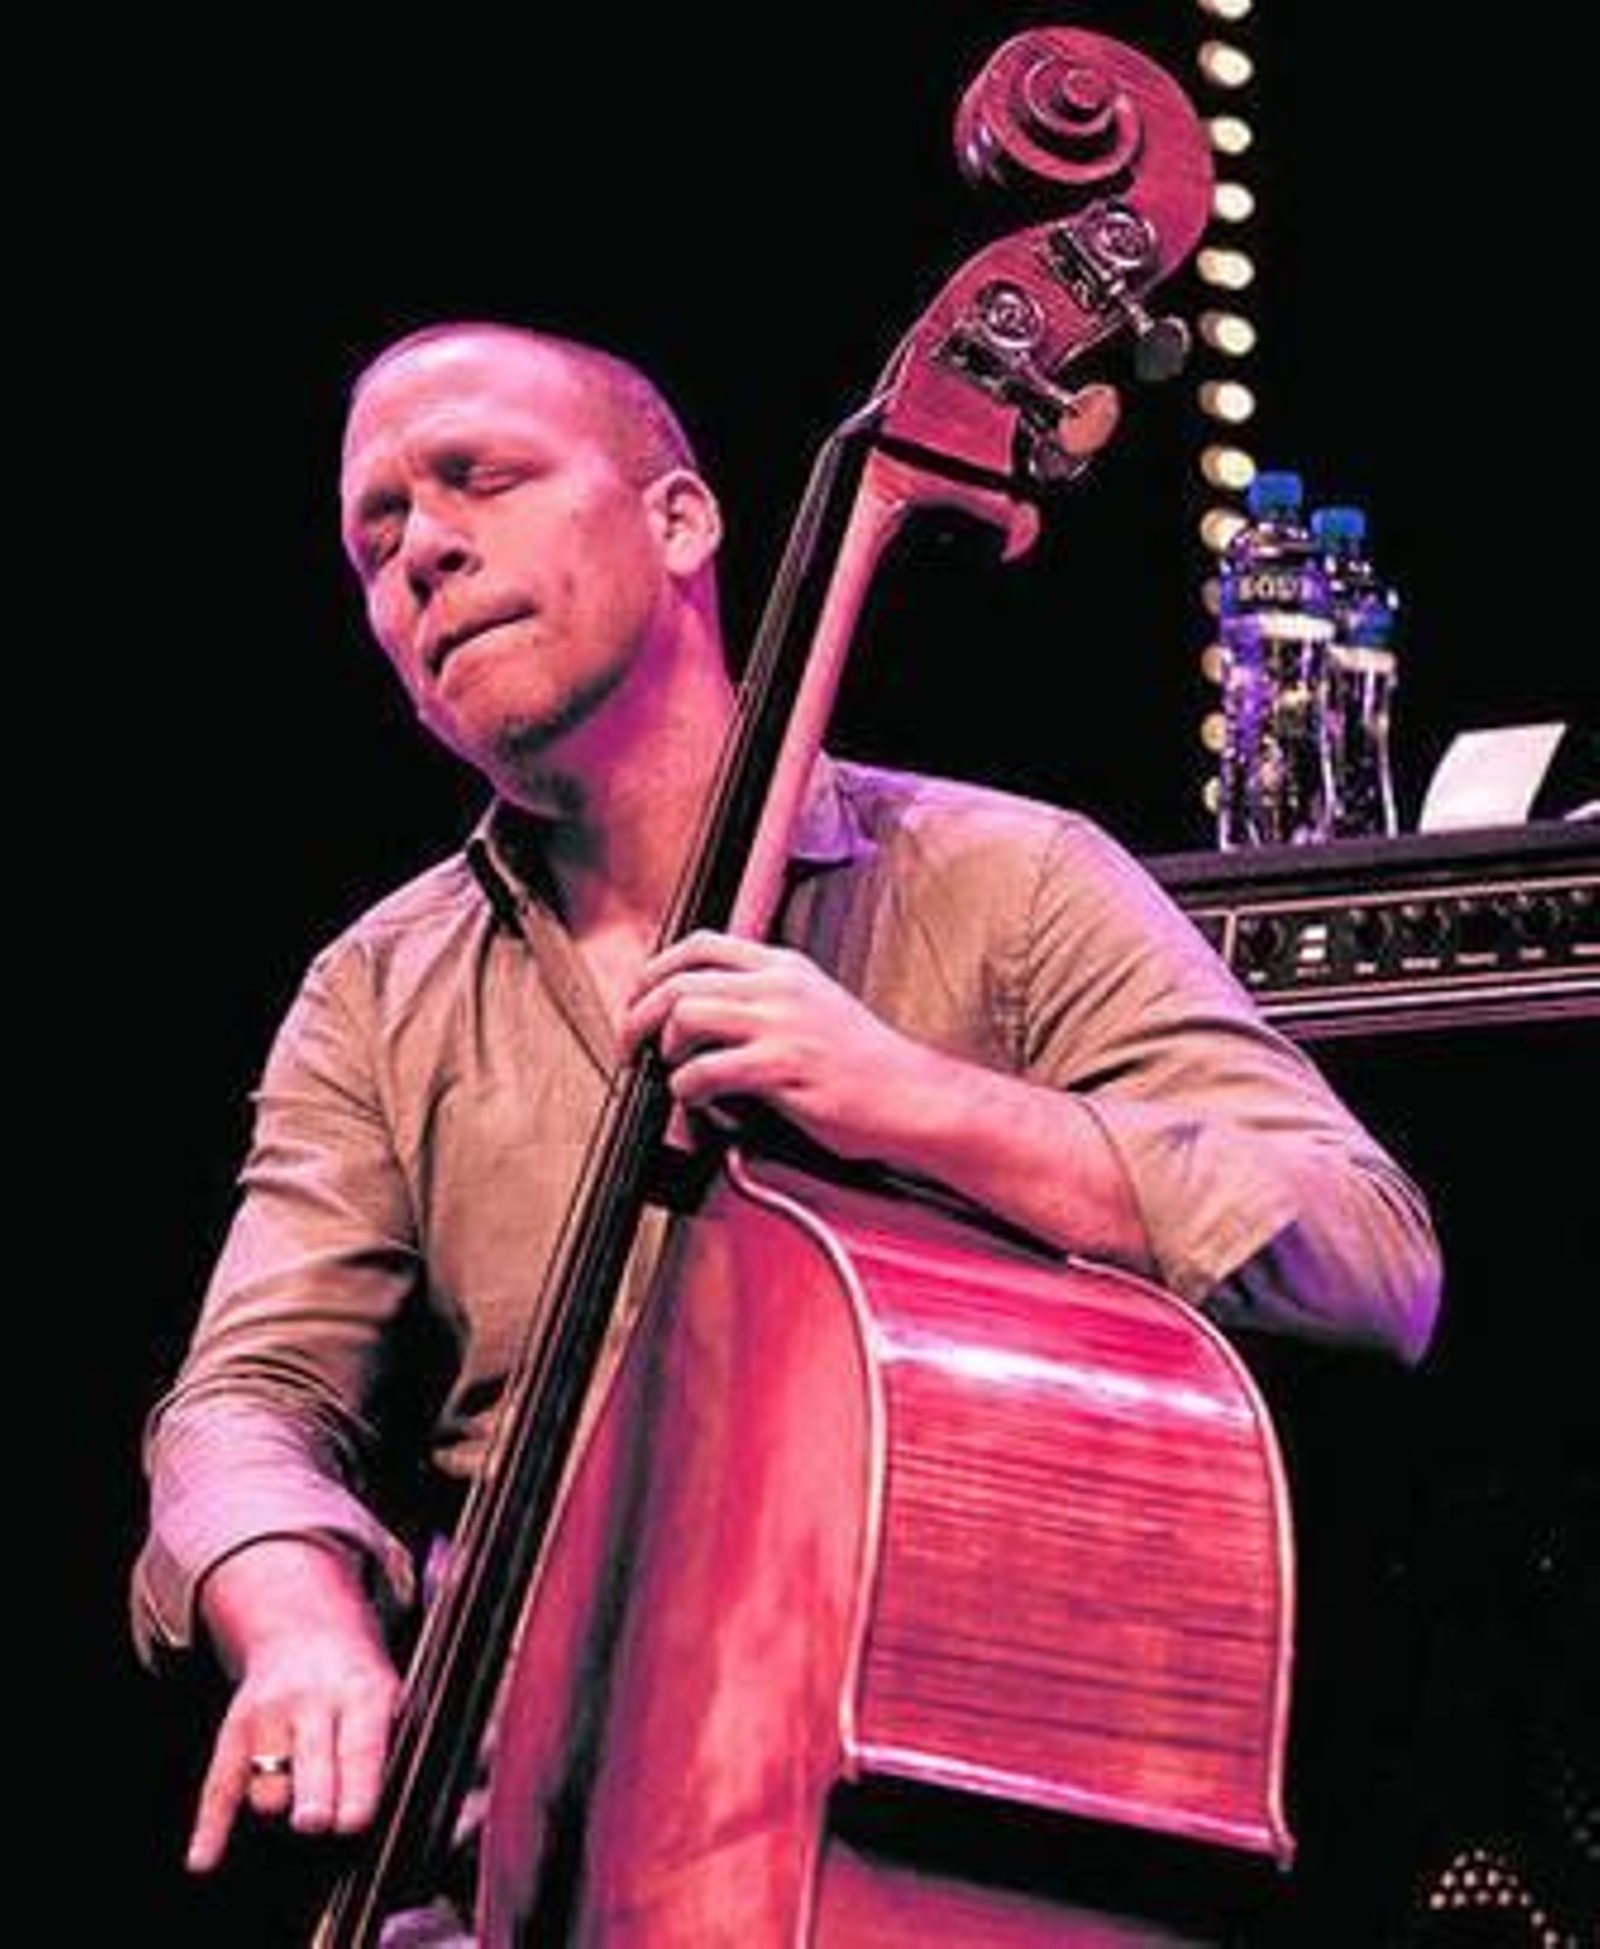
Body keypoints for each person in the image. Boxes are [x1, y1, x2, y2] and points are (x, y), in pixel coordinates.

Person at [131, 318, 1443, 1940]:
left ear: (680, 521)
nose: (423, 553)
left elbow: (1369, 1254)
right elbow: (246, 1403)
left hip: (910, 1858)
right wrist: (301, 1622)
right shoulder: (379, 990)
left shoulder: (1009, 883)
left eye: (478, 478)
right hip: (502, 1876)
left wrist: (918, 1099)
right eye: (376, 532)